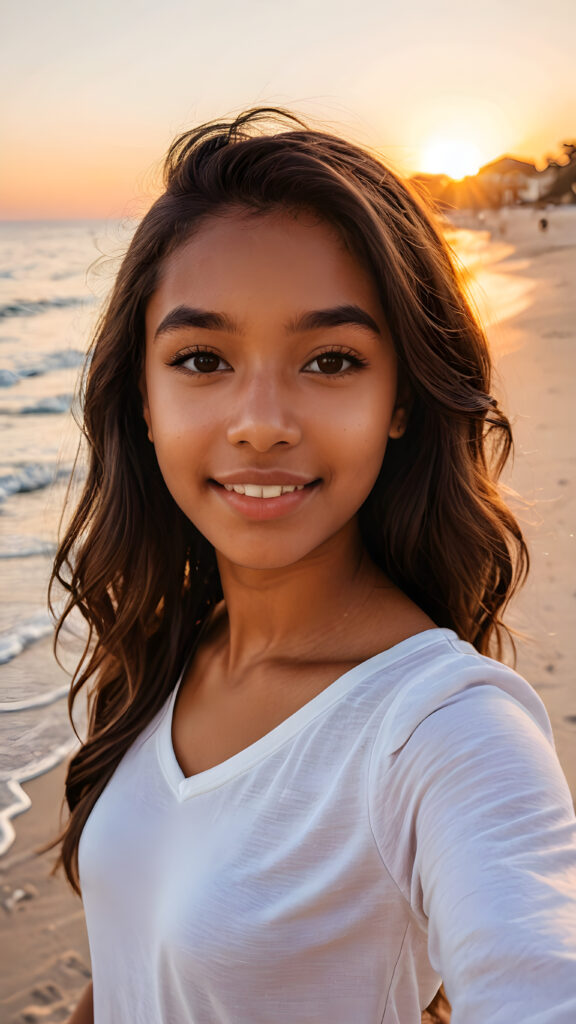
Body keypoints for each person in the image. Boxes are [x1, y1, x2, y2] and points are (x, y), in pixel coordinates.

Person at [51, 108, 576, 1023]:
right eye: (202, 359)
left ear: (400, 399)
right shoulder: (174, 647)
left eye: (330, 361)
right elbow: (139, 965)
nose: (260, 422)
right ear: (141, 394)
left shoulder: (444, 731)